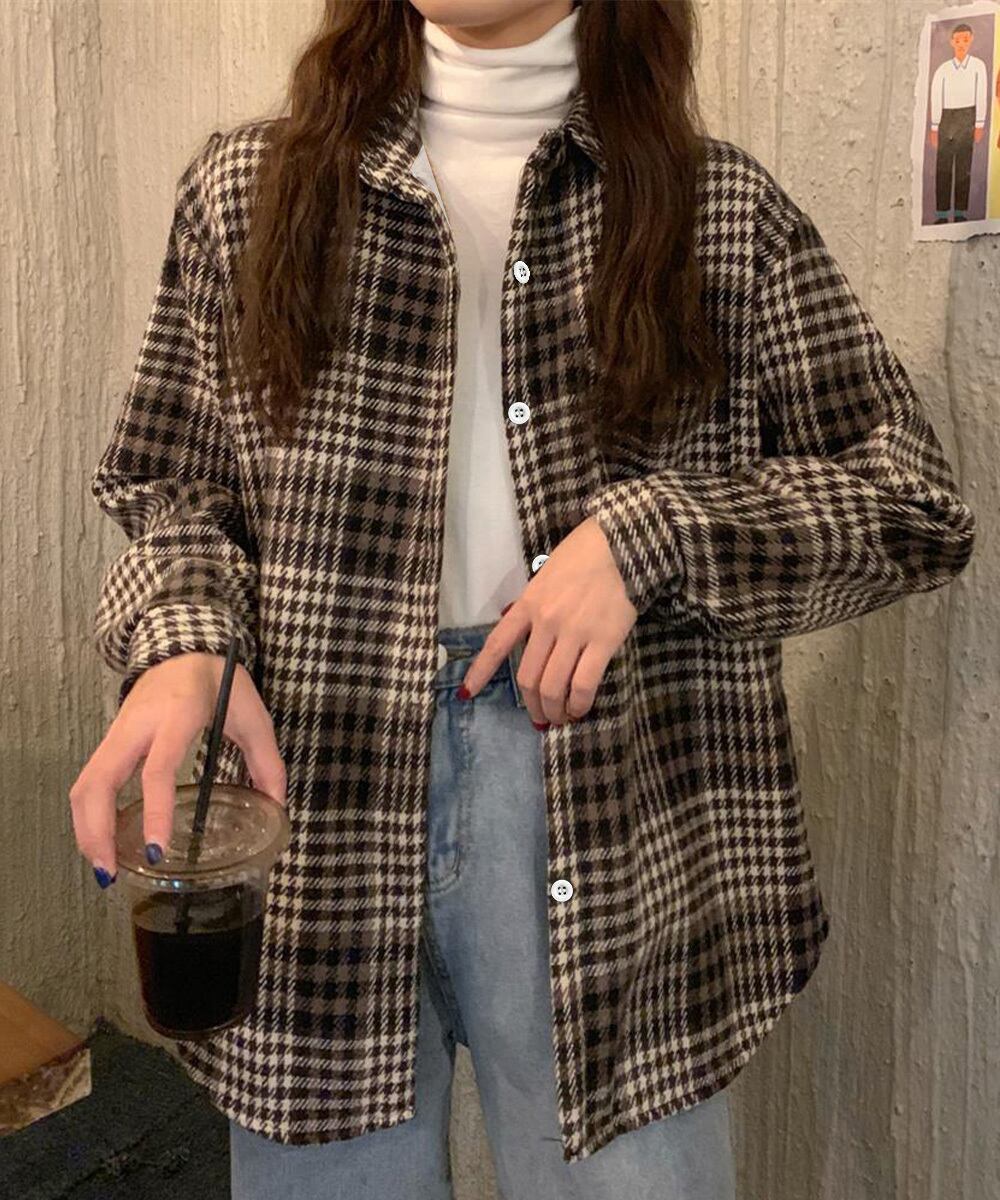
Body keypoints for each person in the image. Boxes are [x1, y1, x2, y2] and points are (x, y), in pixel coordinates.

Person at [69, 2, 976, 1197]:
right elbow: (172, 485)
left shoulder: (715, 212)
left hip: (615, 809)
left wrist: (653, 534)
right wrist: (184, 640)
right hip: (313, 801)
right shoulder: (248, 194)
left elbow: (911, 501)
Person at [928, 21, 987, 223]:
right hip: (946, 119)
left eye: (965, 40)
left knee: (964, 166)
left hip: (967, 117)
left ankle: (961, 212)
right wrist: (934, 127)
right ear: (952, 42)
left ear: (971, 40)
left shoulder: (978, 66)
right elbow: (936, 97)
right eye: (958, 40)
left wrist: (979, 123)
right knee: (943, 167)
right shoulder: (943, 70)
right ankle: (942, 214)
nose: (962, 44)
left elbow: (981, 94)